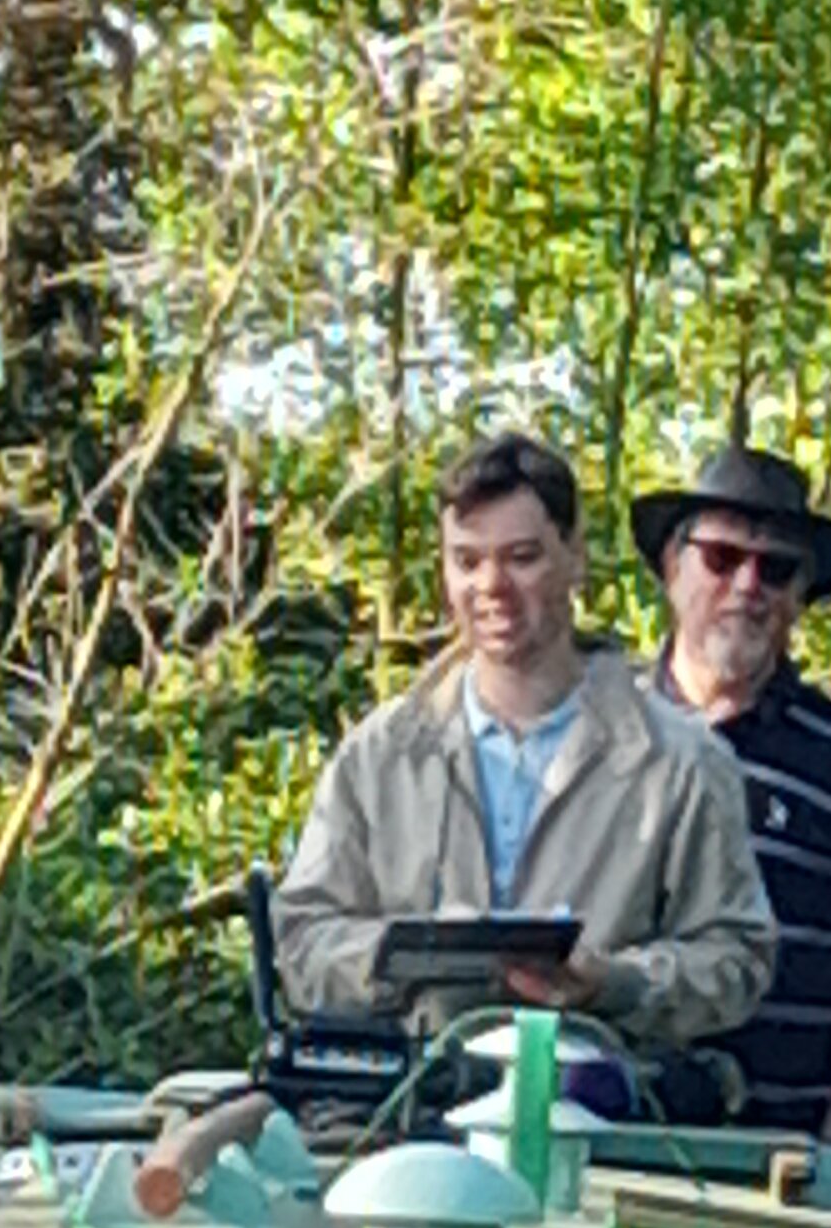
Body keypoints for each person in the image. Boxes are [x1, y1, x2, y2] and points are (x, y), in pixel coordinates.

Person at [272, 431, 775, 1050]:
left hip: (595, 1095)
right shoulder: (380, 755)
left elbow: (737, 958)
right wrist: (404, 955)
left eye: (521, 557)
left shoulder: (681, 762)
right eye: (467, 561)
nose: (492, 584)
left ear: (575, 558)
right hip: (410, 1096)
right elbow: (299, 940)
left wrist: (613, 982)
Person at [633, 442, 831, 1141]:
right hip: (601, 1134)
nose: (747, 585)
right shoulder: (598, 731)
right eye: (721, 558)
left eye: (777, 568)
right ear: (673, 566)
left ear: (800, 596)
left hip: (779, 1159)